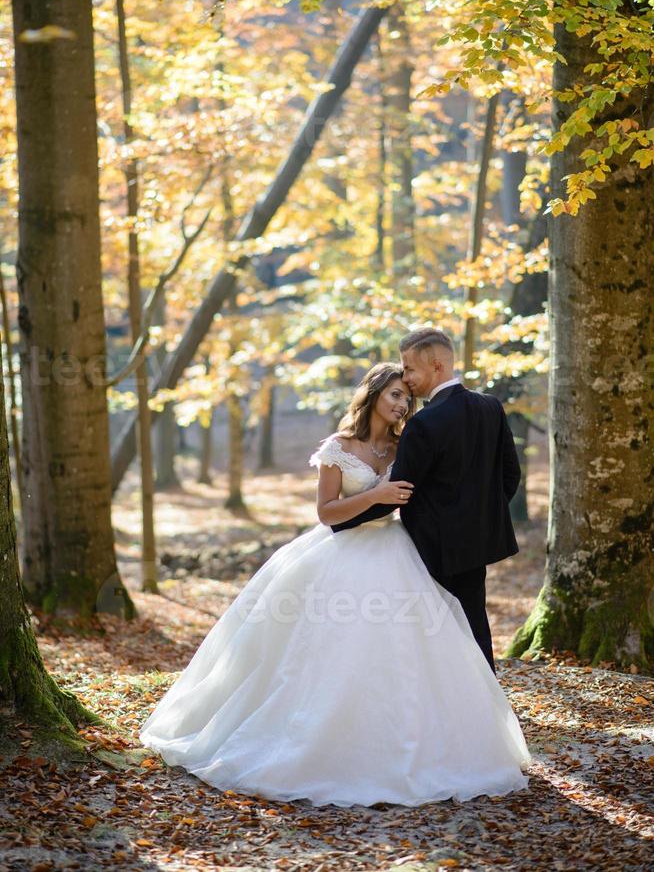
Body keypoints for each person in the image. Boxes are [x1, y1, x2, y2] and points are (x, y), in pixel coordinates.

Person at [140, 362, 530, 808]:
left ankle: (406, 742)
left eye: (407, 397)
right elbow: (327, 512)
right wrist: (375, 496)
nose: (403, 404)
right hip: (339, 555)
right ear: (374, 394)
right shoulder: (338, 447)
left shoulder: (409, 442)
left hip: (400, 551)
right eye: (395, 395)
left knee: (407, 651)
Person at [332, 328, 522, 673]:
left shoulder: (423, 424)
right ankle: (485, 702)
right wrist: (479, 516)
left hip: (431, 548)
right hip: (478, 543)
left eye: (409, 369)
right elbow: (510, 476)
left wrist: (340, 522)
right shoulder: (490, 407)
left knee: (437, 632)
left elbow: (398, 493)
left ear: (436, 366)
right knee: (473, 623)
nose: (406, 378)